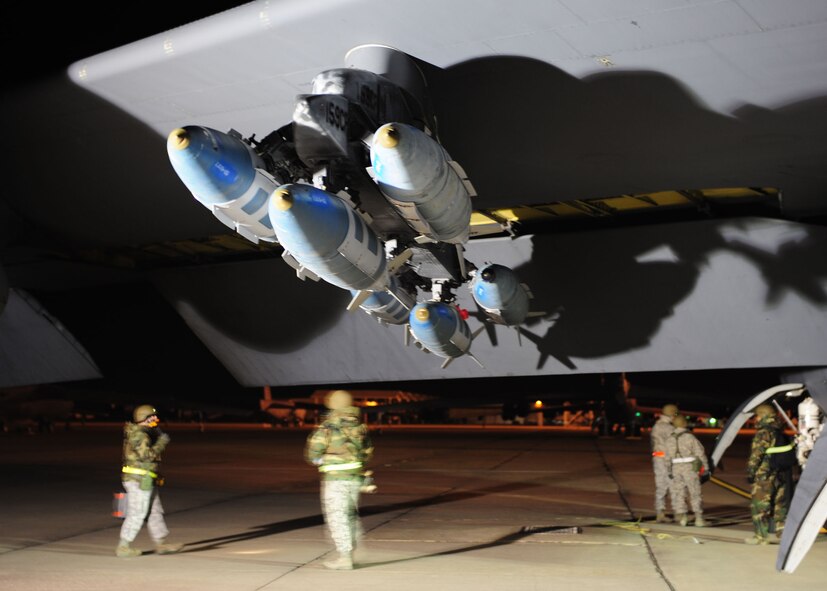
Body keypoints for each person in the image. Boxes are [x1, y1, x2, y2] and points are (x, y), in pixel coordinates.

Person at [305, 390, 374, 570]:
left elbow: (313, 452)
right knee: (351, 515)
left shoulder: (329, 426)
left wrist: (320, 460)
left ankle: (345, 558)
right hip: (355, 478)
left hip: (335, 479)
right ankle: (353, 551)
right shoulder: (360, 426)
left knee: (337, 517)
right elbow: (368, 451)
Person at [116, 405, 182, 557]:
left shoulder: (142, 433)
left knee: (154, 511)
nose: (155, 420)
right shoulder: (139, 435)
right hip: (138, 480)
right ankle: (123, 546)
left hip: (144, 478)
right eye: (152, 418)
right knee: (137, 513)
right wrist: (161, 443)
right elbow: (147, 456)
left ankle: (161, 544)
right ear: (144, 419)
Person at [745, 404, 793, 545]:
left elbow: (756, 455)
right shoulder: (781, 431)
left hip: (765, 475)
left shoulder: (764, 432)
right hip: (781, 474)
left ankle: (761, 536)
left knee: (760, 506)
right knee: (780, 506)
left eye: (757, 415)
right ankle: (783, 533)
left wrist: (751, 472)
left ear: (762, 415)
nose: (756, 419)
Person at [665, 415, 709, 527]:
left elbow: (667, 458)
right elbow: (700, 453)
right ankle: (698, 518)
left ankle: (683, 518)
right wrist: (706, 468)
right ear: (685, 424)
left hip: (676, 469)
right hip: (689, 468)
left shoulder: (669, 439)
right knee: (695, 492)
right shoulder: (690, 437)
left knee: (680, 493)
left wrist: (669, 471)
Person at [651, 403, 679, 523]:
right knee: (674, 486)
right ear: (672, 415)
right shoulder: (669, 428)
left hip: (657, 458)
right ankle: (679, 513)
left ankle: (660, 513)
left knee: (660, 487)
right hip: (667, 460)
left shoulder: (656, 426)